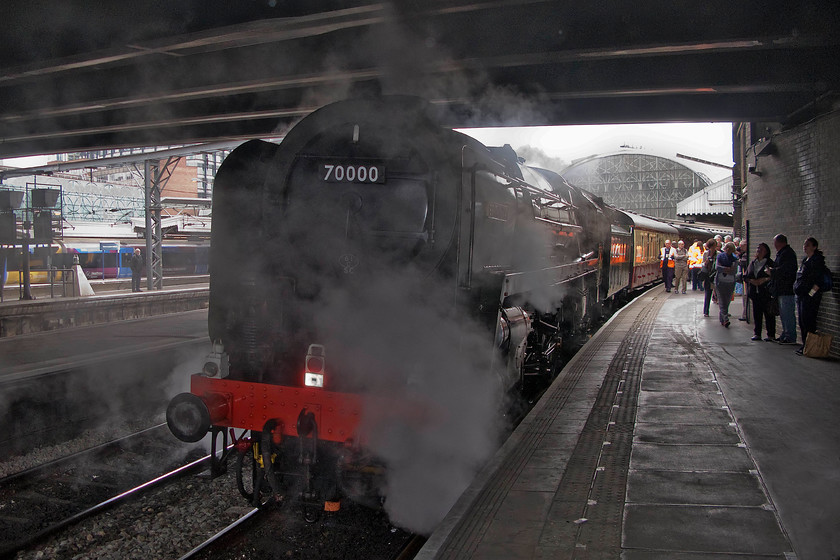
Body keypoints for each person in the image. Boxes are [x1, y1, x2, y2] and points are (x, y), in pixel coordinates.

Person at [793, 237, 827, 355]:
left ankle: (809, 346)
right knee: (802, 321)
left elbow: (819, 281)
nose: (805, 246)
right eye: (804, 244)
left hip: (810, 297)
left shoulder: (817, 261)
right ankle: (805, 345)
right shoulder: (805, 260)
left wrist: (810, 295)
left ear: (814, 247)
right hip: (801, 295)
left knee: (809, 321)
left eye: (808, 245)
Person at [770, 234, 798, 344]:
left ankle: (790, 336)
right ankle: (785, 334)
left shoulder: (787, 254)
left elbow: (786, 270)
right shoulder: (784, 253)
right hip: (782, 289)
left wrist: (772, 271)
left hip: (786, 289)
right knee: (784, 314)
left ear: (779, 242)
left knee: (787, 313)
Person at [746, 243, 775, 341]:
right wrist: (752, 281)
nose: (759, 250)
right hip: (755, 292)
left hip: (766, 292)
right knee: (757, 313)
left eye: (761, 249)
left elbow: (774, 276)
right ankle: (757, 333)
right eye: (758, 248)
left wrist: (765, 279)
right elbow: (746, 276)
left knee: (768, 314)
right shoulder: (753, 263)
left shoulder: (770, 263)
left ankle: (771, 334)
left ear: (766, 251)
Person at [715, 242, 738, 327]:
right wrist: (727, 269)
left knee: (727, 301)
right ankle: (725, 319)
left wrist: (724, 269)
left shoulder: (735, 258)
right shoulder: (720, 256)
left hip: (730, 282)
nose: (728, 250)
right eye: (727, 248)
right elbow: (717, 267)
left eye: (730, 249)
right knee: (722, 300)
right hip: (720, 282)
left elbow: (734, 270)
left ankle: (722, 319)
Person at [701, 238, 718, 317]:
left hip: (716, 275)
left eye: (714, 246)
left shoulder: (718, 254)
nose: (713, 248)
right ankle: (706, 311)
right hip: (708, 276)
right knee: (708, 293)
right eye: (711, 246)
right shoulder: (705, 254)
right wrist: (706, 262)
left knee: (719, 294)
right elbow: (703, 264)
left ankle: (723, 311)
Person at [737, 239, 749, 320]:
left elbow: (741, 263)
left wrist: (739, 259)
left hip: (746, 278)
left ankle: (746, 314)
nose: (740, 248)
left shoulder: (745, 255)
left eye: (742, 246)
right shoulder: (744, 254)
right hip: (745, 278)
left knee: (745, 296)